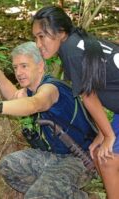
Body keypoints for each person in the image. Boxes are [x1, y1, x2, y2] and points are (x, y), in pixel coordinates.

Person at [0, 42, 97, 198]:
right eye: (15, 68)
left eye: (24, 66)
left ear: (40, 66)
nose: (18, 72)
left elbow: (34, 105)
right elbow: (14, 97)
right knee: (8, 166)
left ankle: (49, 191)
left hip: (79, 159)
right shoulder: (31, 90)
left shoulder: (51, 89)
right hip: (52, 156)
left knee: (36, 196)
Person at [32, 5, 119, 199]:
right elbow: (93, 91)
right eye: (35, 37)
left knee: (108, 160)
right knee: (98, 152)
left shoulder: (72, 50)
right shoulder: (74, 44)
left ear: (60, 32)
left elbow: (89, 96)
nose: (38, 43)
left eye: (41, 36)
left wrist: (109, 136)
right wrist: (103, 135)